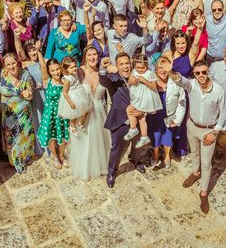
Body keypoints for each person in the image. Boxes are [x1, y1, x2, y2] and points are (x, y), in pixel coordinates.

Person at [171, 60, 226, 214]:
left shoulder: (219, 91)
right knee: (195, 154)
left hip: (208, 131)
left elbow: (224, 114)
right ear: (194, 74)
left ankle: (204, 192)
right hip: (192, 125)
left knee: (206, 162)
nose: (201, 75)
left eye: (204, 72)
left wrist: (214, 132)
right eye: (198, 73)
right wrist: (170, 70)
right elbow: (179, 80)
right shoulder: (192, 85)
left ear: (208, 71)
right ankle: (195, 173)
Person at [100, 53, 148, 188]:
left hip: (138, 119)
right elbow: (103, 80)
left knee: (138, 144)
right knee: (116, 148)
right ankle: (112, 172)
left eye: (127, 63)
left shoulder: (139, 77)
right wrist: (103, 69)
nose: (125, 67)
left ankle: (135, 160)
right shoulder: (113, 79)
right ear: (117, 66)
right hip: (119, 120)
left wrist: (144, 110)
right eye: (121, 64)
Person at [69, 46, 111, 181]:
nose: (92, 57)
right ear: (85, 57)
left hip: (100, 111)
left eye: (95, 55)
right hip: (84, 113)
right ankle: (85, 168)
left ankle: (99, 165)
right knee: (85, 141)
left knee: (99, 140)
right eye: (89, 55)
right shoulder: (79, 71)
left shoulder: (102, 72)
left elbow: (108, 96)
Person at [0, 53, 36, 174]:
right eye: (8, 64)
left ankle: (25, 159)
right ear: (4, 66)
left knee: (25, 137)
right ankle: (16, 162)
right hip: (9, 113)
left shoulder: (25, 74)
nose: (11, 66)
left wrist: (28, 94)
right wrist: (20, 91)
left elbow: (30, 92)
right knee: (12, 138)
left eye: (13, 63)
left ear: (17, 62)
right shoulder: (3, 75)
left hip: (24, 112)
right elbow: (3, 90)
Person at [148, 58, 184, 169]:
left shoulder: (176, 82)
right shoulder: (150, 82)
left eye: (164, 67)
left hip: (169, 115)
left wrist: (178, 119)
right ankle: (155, 154)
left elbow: (182, 102)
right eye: (160, 68)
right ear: (155, 70)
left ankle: (167, 155)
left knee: (168, 136)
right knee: (156, 136)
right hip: (154, 116)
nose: (162, 71)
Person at [36, 53, 69, 169]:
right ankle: (55, 156)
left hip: (62, 112)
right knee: (52, 137)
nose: (56, 73)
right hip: (50, 114)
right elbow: (42, 65)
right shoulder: (47, 81)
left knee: (63, 137)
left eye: (57, 69)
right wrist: (39, 51)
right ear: (49, 72)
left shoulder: (65, 80)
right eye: (53, 70)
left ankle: (61, 155)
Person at [124, 55, 162, 149]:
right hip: (136, 97)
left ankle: (133, 129)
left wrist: (144, 80)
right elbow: (129, 82)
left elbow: (154, 87)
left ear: (147, 66)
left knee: (129, 110)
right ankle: (144, 136)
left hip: (144, 99)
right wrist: (131, 80)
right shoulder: (133, 72)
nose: (140, 70)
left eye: (142, 68)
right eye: (138, 68)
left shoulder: (149, 74)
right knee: (141, 118)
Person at [57, 56, 91, 136]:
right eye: (71, 67)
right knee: (74, 114)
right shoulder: (67, 79)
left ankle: (80, 123)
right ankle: (72, 126)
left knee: (85, 109)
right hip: (72, 97)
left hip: (80, 93)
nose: (75, 68)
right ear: (66, 69)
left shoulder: (75, 74)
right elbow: (65, 92)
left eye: (75, 66)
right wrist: (70, 102)